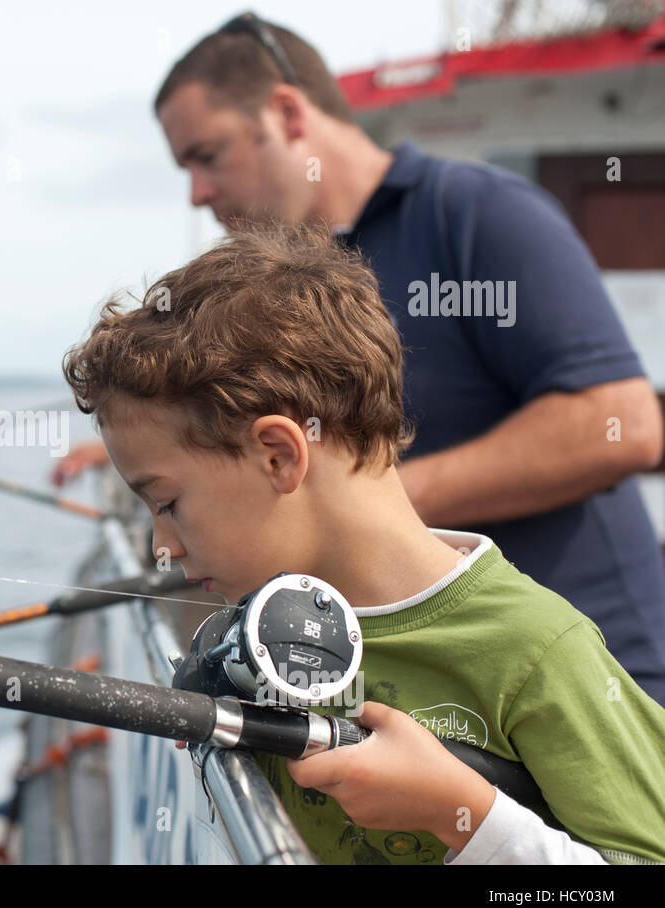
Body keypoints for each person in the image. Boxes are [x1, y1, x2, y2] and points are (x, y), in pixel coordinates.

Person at [52, 12, 665, 706]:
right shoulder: (282, 279)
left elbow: (622, 422)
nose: (197, 191)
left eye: (208, 155)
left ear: (286, 113)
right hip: (425, 691)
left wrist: (356, 501)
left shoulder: (479, 214)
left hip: (587, 687)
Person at [61, 220, 665, 864]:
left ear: (277, 456)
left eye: (168, 504)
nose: (164, 547)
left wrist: (465, 817)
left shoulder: (537, 651)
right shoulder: (256, 642)